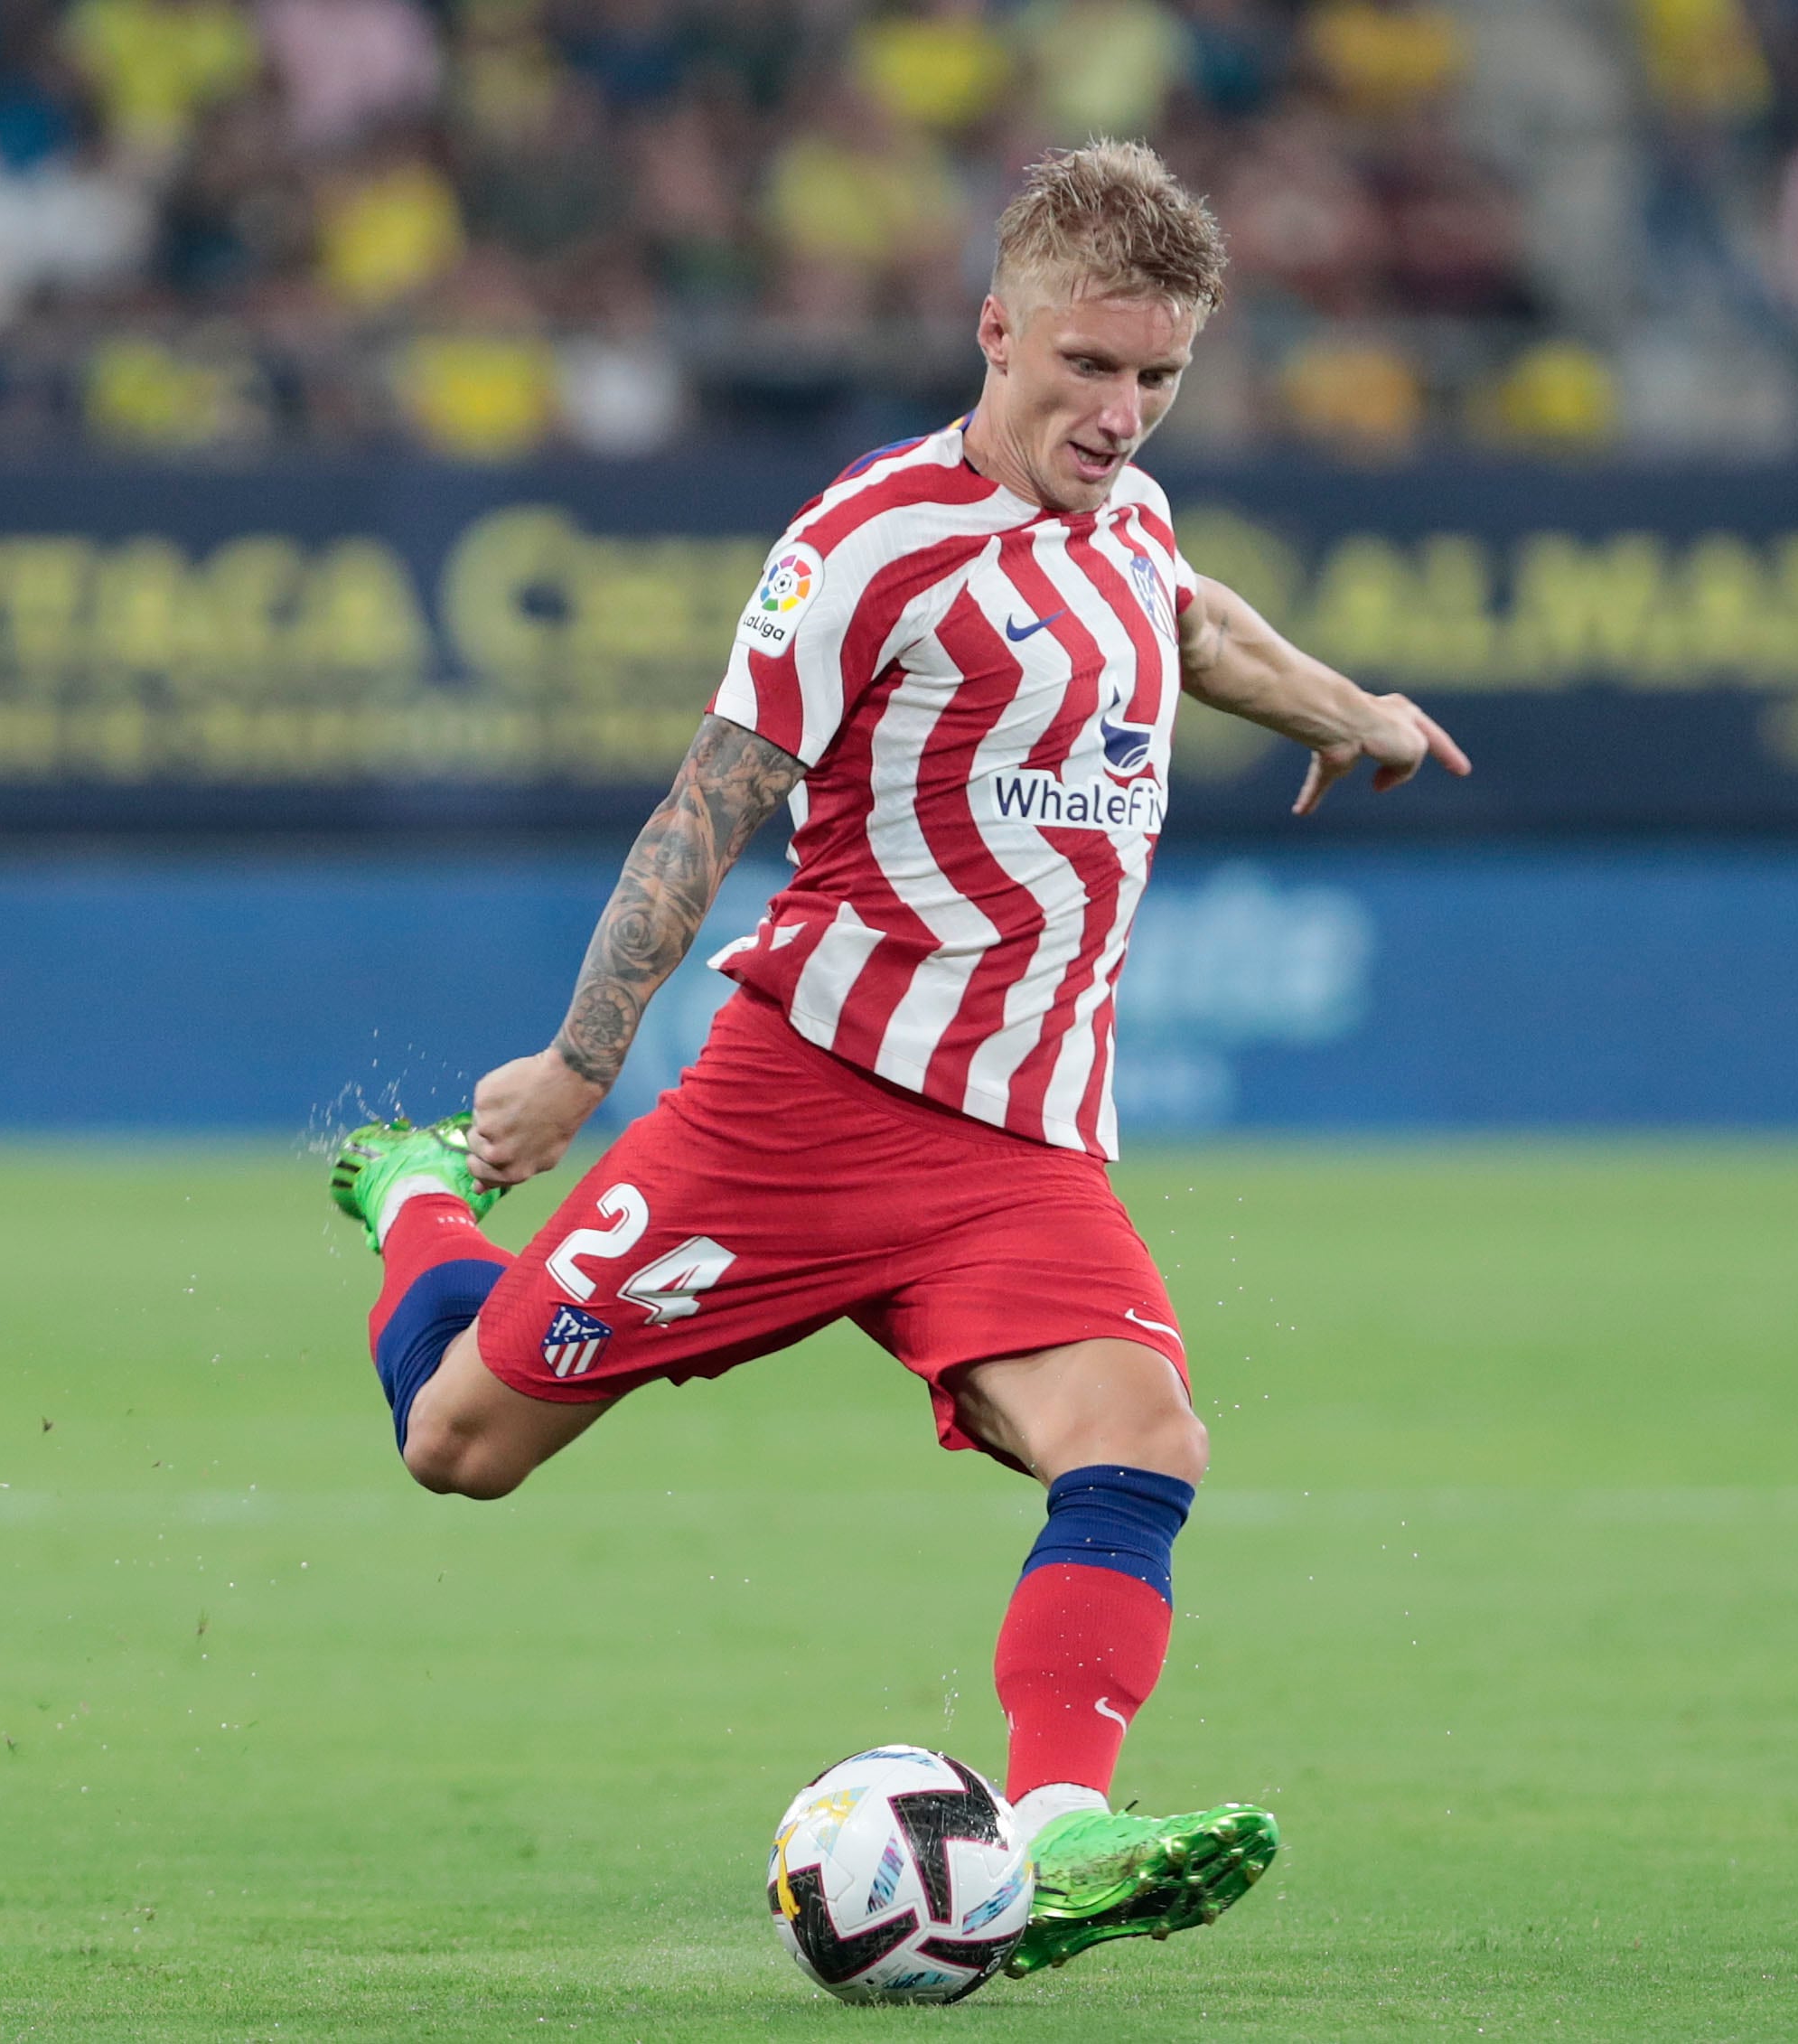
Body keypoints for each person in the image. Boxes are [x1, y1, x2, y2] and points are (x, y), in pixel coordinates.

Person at [328, 138, 1468, 1978]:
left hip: (1017, 1143)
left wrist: (1346, 708)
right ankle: (408, 1198)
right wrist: (570, 1065)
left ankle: (1062, 1835)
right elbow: (703, 813)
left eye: (1155, 377)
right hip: (797, 1111)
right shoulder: (863, 543)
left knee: (1139, 1434)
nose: (1117, 413)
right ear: (992, 327)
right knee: (458, 1442)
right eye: (1083, 368)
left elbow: (1181, 622)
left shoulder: (1136, 513)